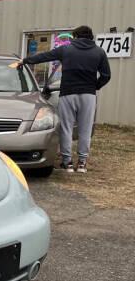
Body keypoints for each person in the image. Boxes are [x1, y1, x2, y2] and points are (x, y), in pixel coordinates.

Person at [20, 26, 111, 173]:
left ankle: (67, 163)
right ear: (90, 37)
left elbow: (44, 56)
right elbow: (106, 75)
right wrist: (94, 86)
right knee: (85, 129)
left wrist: (24, 60)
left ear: (75, 36)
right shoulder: (99, 52)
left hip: (68, 93)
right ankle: (82, 163)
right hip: (88, 95)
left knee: (66, 128)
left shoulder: (66, 49)